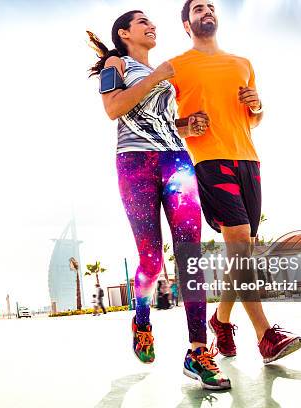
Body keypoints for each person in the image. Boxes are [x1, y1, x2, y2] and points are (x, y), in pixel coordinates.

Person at [87, 10, 230, 390]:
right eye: (142, 22)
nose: (152, 26)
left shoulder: (165, 75)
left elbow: (160, 118)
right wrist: (156, 76)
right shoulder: (115, 64)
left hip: (176, 159)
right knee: (151, 258)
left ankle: (198, 351)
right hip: (134, 164)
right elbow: (114, 109)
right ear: (124, 33)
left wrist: (188, 124)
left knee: (190, 253)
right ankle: (142, 318)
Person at [167, 0, 301, 365]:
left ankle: (221, 320)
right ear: (187, 23)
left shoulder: (242, 64)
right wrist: (184, 125)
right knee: (240, 240)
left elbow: (252, 119)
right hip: (209, 160)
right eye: (198, 8)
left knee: (241, 250)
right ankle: (266, 336)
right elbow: (161, 123)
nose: (206, 11)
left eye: (211, 6)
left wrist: (258, 106)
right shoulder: (175, 67)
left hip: (249, 158)